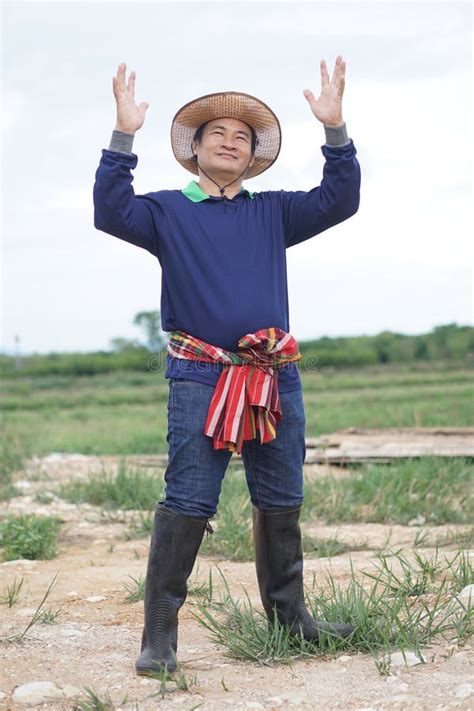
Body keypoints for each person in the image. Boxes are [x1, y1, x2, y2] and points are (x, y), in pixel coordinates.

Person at [93, 56, 361, 677]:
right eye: (218, 132)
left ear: (252, 155)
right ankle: (159, 636)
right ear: (194, 148)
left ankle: (290, 621)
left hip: (273, 374)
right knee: (188, 496)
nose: (231, 140)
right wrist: (123, 137)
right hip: (199, 373)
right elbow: (110, 210)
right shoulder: (165, 211)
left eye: (243, 136)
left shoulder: (273, 212)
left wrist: (335, 129)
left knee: (282, 495)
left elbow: (340, 199)